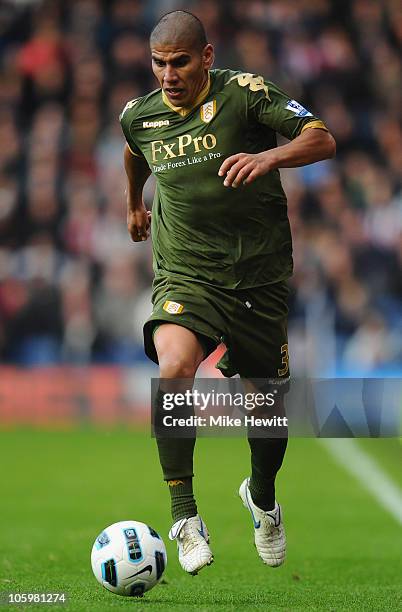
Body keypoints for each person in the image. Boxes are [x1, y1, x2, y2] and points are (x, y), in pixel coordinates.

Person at [120, 10, 335, 575]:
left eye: (180, 61)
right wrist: (134, 203)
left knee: (267, 416)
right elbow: (133, 150)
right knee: (174, 367)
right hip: (186, 273)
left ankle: (262, 499)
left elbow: (322, 137)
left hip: (259, 278)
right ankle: (185, 514)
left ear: (207, 57)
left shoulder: (246, 95)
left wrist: (269, 156)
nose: (168, 74)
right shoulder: (140, 117)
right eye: (159, 63)